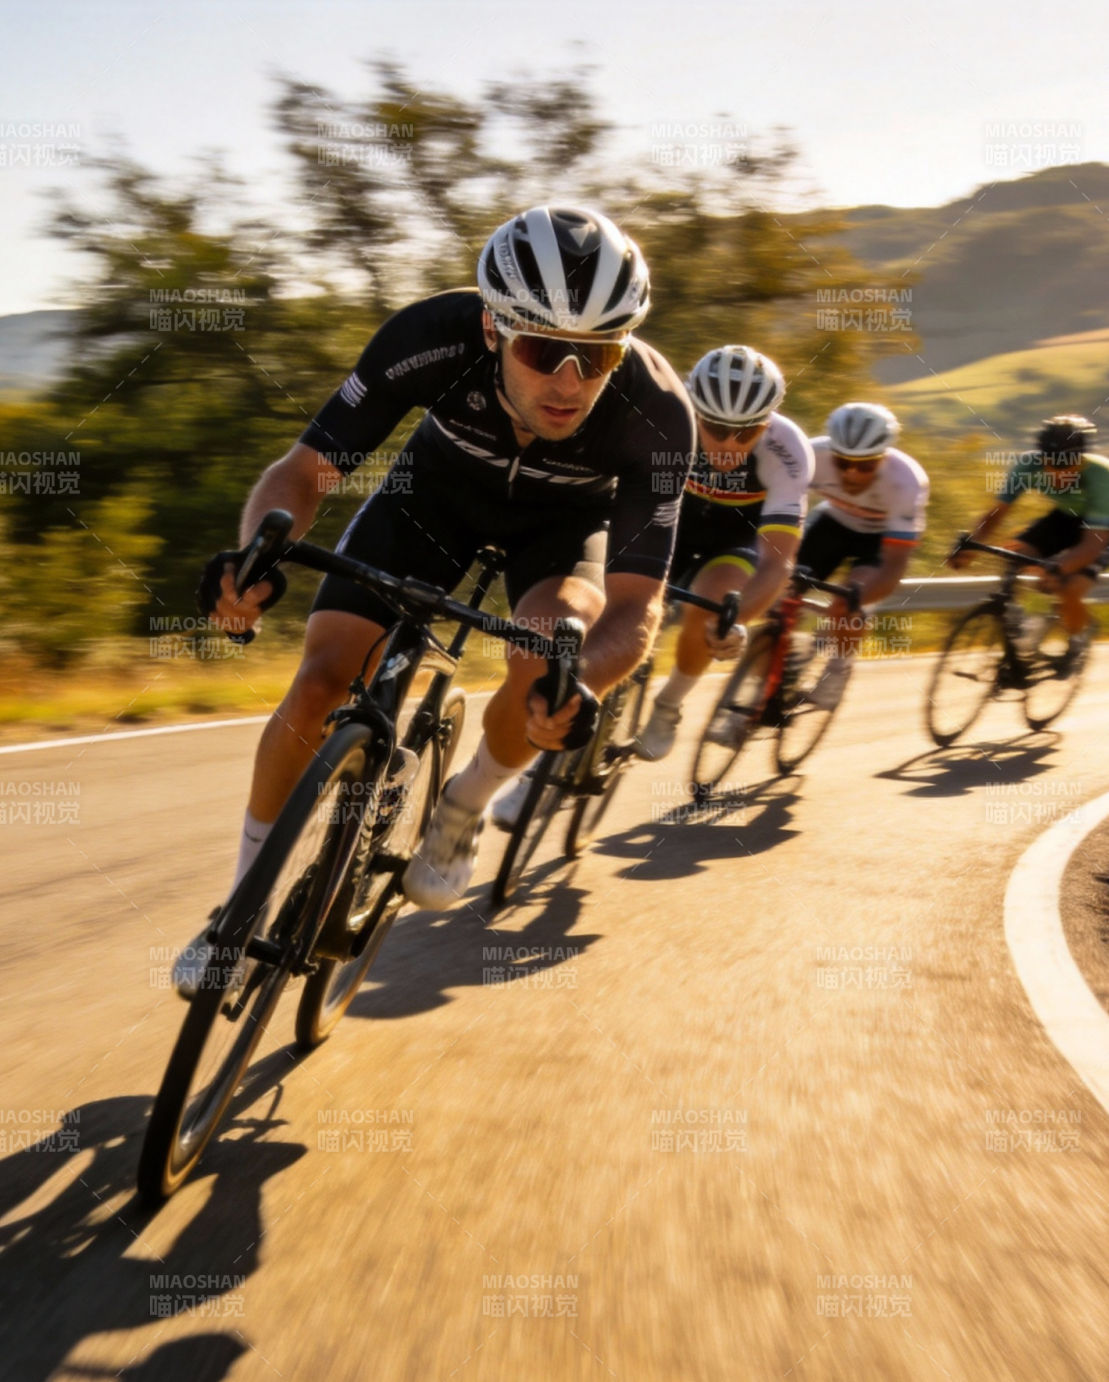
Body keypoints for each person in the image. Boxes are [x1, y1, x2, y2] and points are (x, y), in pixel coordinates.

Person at [176, 204, 694, 990]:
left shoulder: (656, 413)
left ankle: (464, 809)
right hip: (430, 502)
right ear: (492, 329)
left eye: (598, 355)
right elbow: (305, 471)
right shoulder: (431, 337)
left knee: (546, 653)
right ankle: (240, 906)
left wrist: (582, 682)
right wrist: (258, 553)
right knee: (319, 682)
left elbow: (636, 604)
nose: (569, 381)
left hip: (562, 534)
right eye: (543, 347)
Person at [627, 345, 812, 761]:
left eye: (746, 432)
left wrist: (735, 618)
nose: (730, 444)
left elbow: (778, 561)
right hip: (670, 521)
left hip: (735, 540)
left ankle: (667, 705)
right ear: (694, 412)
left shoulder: (789, 452)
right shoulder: (662, 418)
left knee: (714, 604)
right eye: (715, 426)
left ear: (766, 425)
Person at [724, 401, 926, 727]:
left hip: (878, 541)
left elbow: (893, 568)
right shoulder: (809, 455)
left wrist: (854, 599)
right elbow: (770, 508)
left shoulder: (907, 482)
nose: (851, 473)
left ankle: (839, 667)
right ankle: (767, 683)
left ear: (884, 457)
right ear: (831, 450)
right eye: (843, 461)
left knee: (850, 598)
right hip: (830, 524)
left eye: (865, 466)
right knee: (775, 594)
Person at [957, 415, 1109, 668]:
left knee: (1069, 588)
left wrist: (1060, 567)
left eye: (1068, 470)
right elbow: (997, 513)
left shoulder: (1103, 479)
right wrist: (971, 545)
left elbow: (1093, 545)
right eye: (1053, 467)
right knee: (1014, 553)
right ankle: (1019, 622)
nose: (1060, 476)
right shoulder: (1028, 465)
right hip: (1065, 517)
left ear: (1081, 460)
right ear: (1042, 460)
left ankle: (1079, 639)